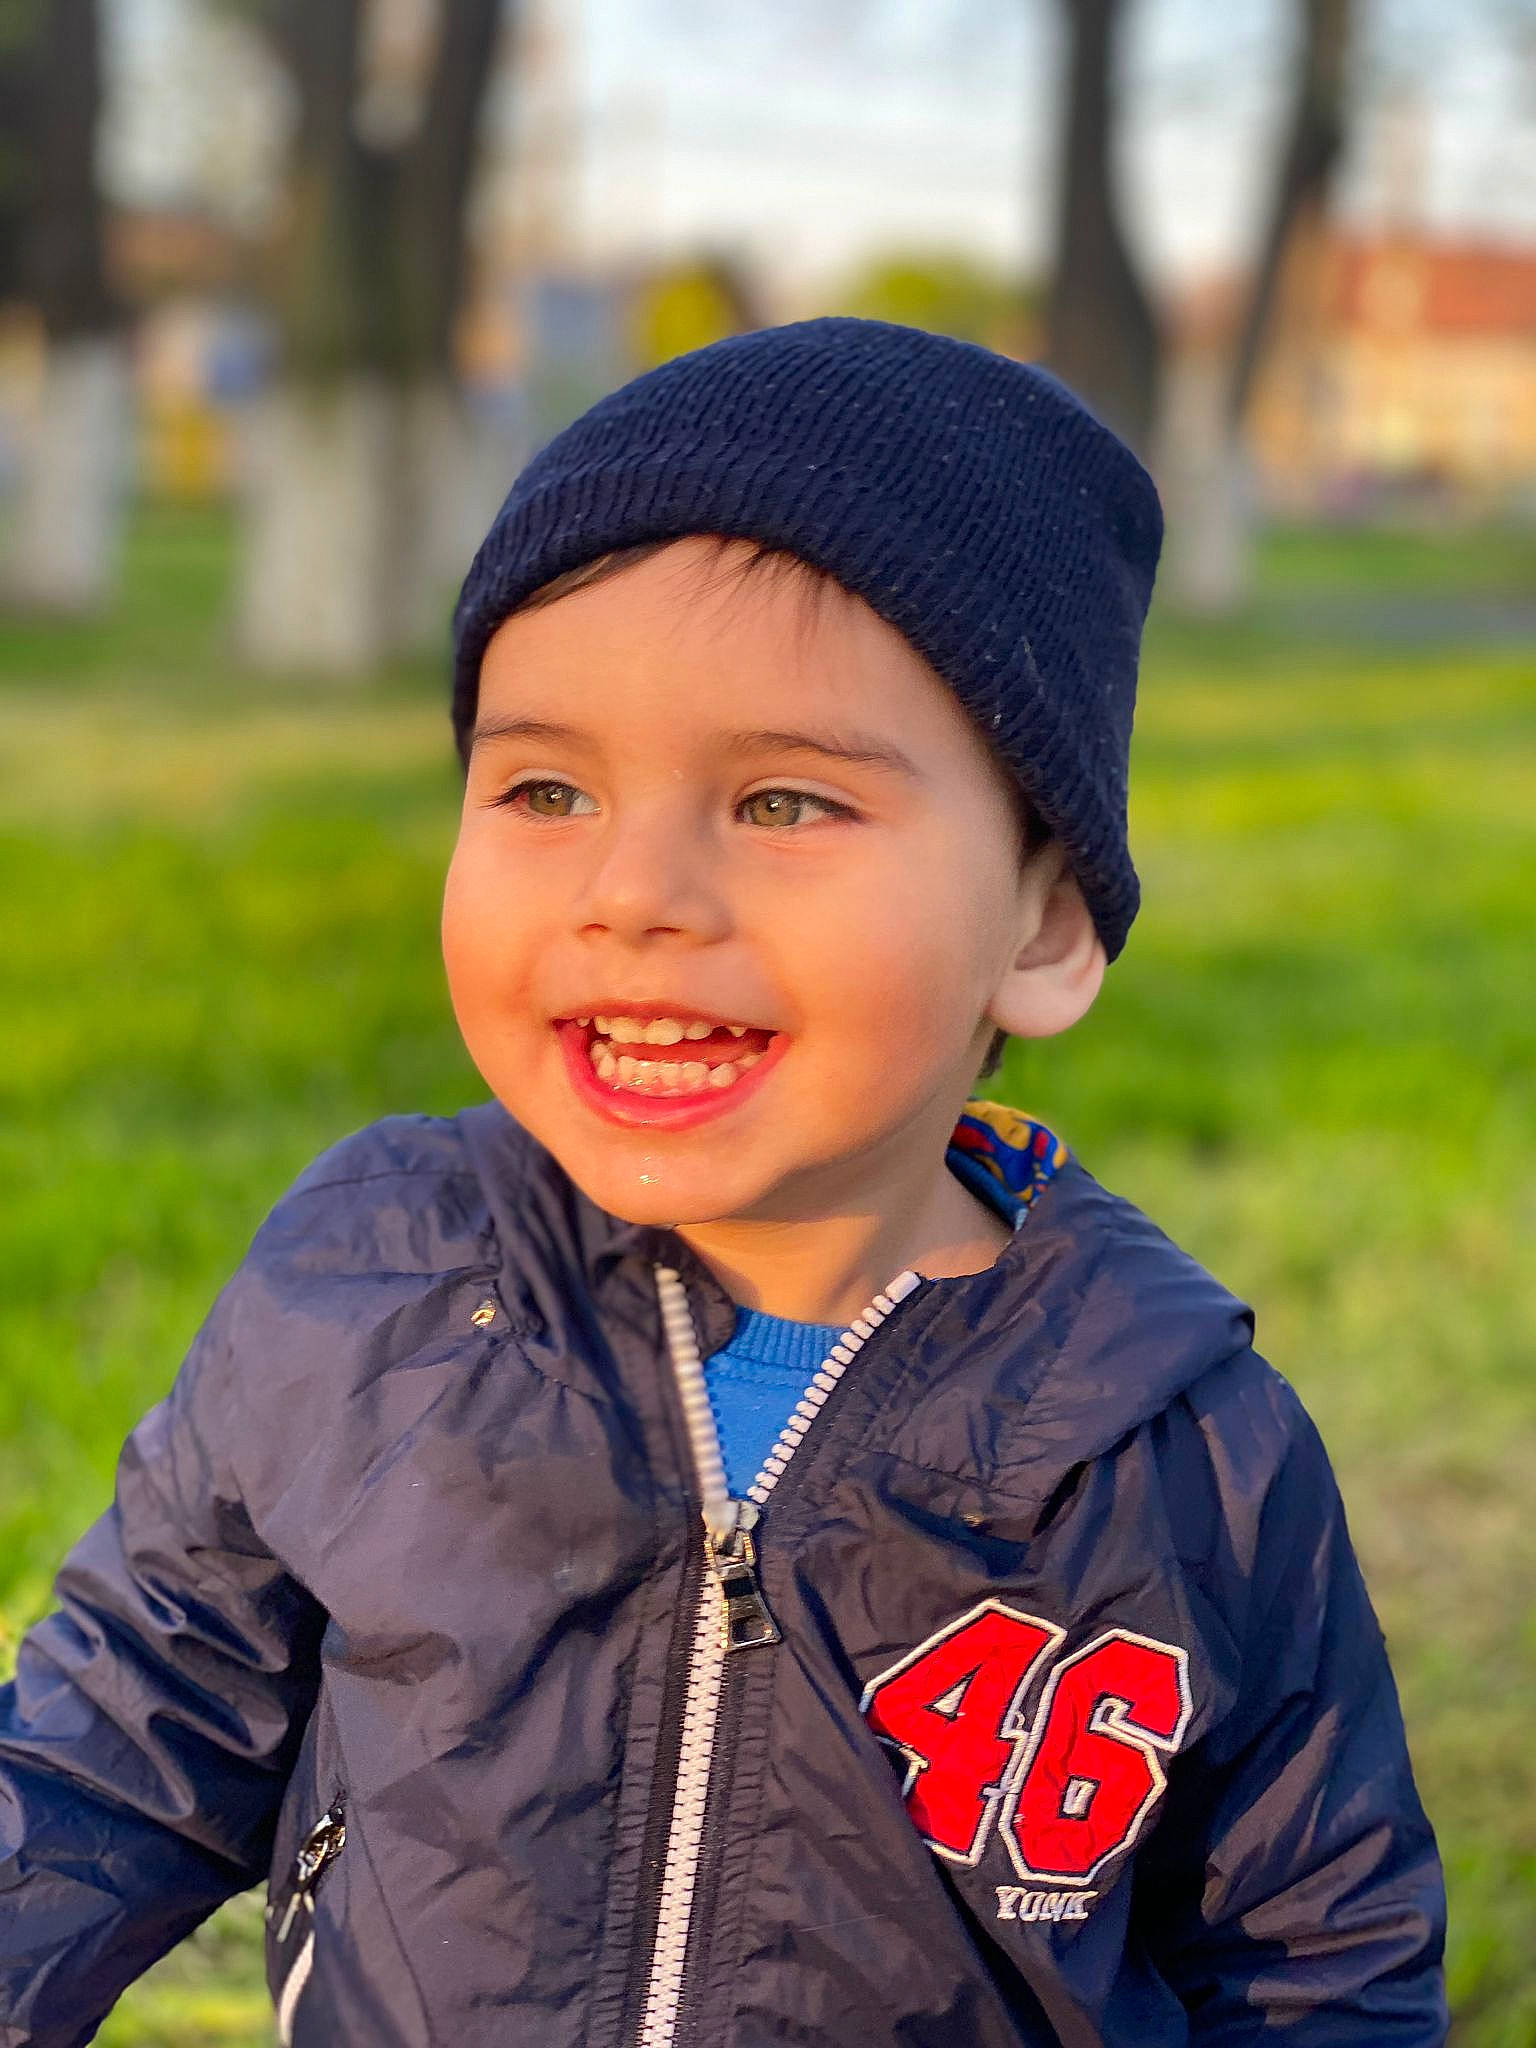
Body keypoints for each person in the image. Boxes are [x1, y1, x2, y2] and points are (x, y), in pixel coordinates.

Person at [0, 318, 1446, 2047]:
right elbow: (113, 1742)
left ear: (1044, 926)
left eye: (781, 802)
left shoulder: (1173, 1444)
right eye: (547, 786)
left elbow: (1317, 1952)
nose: (635, 891)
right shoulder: (372, 1293)